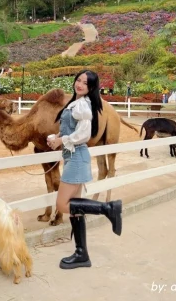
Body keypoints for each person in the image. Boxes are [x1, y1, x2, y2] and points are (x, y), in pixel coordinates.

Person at [47, 70, 123, 270]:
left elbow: (83, 134)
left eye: (85, 83)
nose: (79, 84)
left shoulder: (82, 104)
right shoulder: (76, 103)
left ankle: (108, 208)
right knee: (75, 211)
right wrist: (56, 137)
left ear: (91, 88)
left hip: (76, 158)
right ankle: (82, 253)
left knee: (63, 205)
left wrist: (62, 140)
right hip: (74, 156)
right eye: (78, 80)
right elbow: (71, 130)